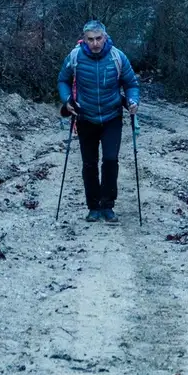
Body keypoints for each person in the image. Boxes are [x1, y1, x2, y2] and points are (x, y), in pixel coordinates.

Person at [57, 20, 140, 223]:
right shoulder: (75, 56)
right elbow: (63, 80)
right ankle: (93, 207)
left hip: (112, 116)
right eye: (90, 39)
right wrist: (67, 100)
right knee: (89, 163)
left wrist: (133, 100)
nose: (95, 43)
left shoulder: (117, 57)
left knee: (110, 160)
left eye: (98, 38)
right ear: (84, 39)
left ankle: (108, 205)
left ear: (105, 37)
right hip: (86, 117)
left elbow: (131, 83)